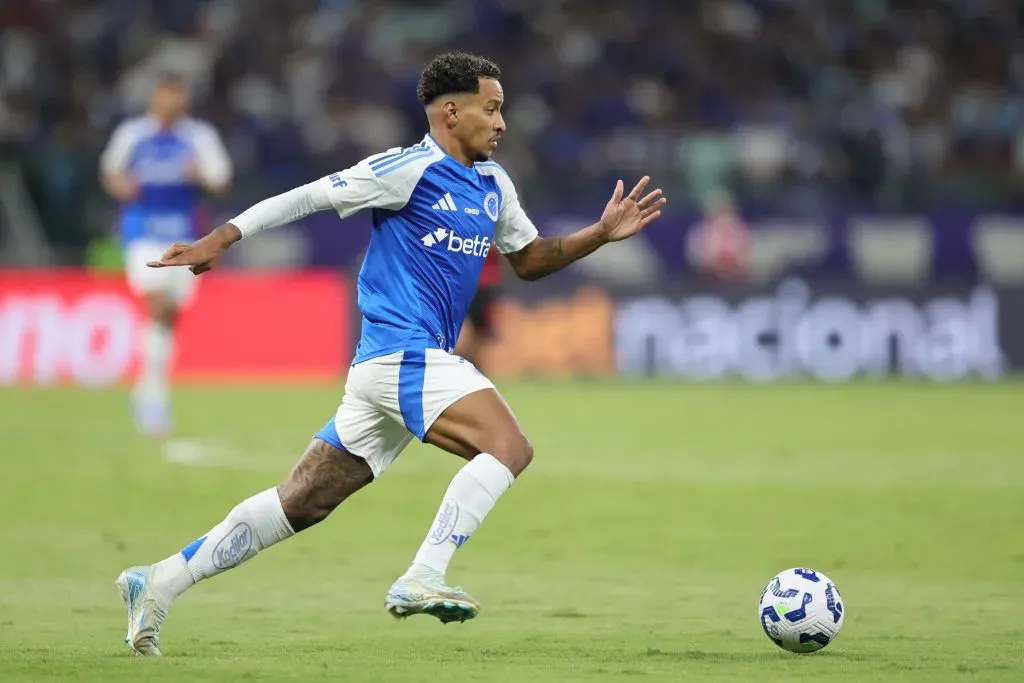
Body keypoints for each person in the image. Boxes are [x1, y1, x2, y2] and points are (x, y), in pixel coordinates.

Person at [116, 52, 666, 656]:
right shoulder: (406, 170)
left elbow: (531, 259)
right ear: (451, 112)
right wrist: (219, 238)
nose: (502, 122)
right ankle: (423, 574)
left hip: (391, 370)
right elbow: (308, 198)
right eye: (492, 108)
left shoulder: (493, 184)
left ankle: (160, 580)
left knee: (303, 500)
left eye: (502, 109)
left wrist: (599, 233)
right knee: (508, 447)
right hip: (399, 354)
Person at [99, 73, 233, 437]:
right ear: (156, 99)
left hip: (187, 235)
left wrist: (200, 175)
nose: (173, 103)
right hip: (143, 232)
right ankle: (154, 398)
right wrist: (122, 185)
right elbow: (110, 171)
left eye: (179, 96)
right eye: (167, 96)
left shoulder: (199, 136)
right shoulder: (132, 133)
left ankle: (146, 386)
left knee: (170, 315)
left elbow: (221, 179)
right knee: (156, 306)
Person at [454, 248, 503, 372]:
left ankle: (473, 369)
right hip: (459, 282)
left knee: (480, 335)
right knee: (460, 336)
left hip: (485, 283)